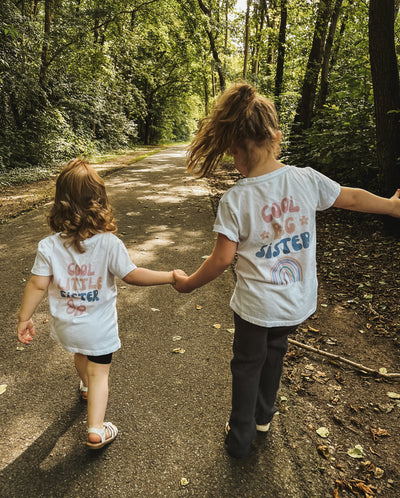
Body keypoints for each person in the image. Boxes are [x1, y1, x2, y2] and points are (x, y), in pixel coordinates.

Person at [172, 82, 400, 458]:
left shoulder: (237, 199)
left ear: (235, 148)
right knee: (275, 351)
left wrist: (189, 284)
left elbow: (221, 259)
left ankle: (241, 436)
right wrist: (391, 207)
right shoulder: (306, 179)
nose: (233, 161)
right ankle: (264, 415)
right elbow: (353, 197)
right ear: (276, 138)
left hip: (256, 307)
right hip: (295, 302)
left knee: (247, 364)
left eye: (233, 153)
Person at [17, 158, 180, 450]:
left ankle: (85, 387)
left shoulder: (49, 246)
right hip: (99, 329)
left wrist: (23, 317)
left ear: (60, 203)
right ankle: (95, 429)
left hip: (68, 327)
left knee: (81, 354)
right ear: (100, 202)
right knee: (100, 371)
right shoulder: (108, 243)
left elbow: (37, 284)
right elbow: (132, 275)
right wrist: (169, 276)